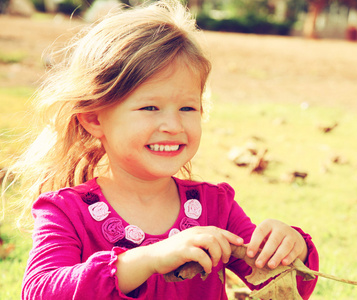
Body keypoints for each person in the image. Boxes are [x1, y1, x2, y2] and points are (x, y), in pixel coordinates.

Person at [15, 1, 319, 299]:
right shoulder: (66, 212)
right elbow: (40, 291)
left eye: (188, 107)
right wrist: (148, 259)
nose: (173, 125)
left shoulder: (214, 207)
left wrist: (292, 248)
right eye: (150, 107)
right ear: (95, 118)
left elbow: (281, 283)